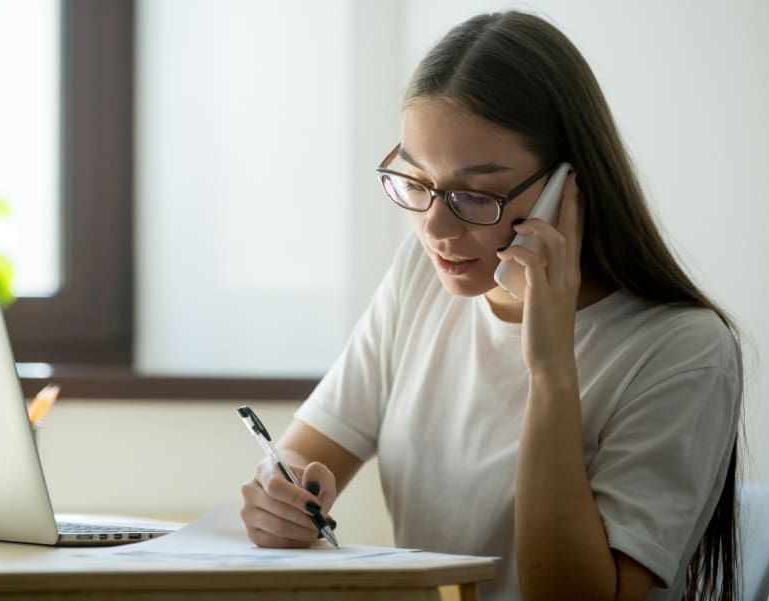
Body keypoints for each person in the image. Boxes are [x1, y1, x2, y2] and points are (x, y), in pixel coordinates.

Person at [238, 10, 742, 601]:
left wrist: (551, 371)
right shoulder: (420, 279)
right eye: (417, 182)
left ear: (566, 185)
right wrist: (283, 494)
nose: (436, 228)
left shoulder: (682, 349)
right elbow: (306, 453)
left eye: (474, 196)